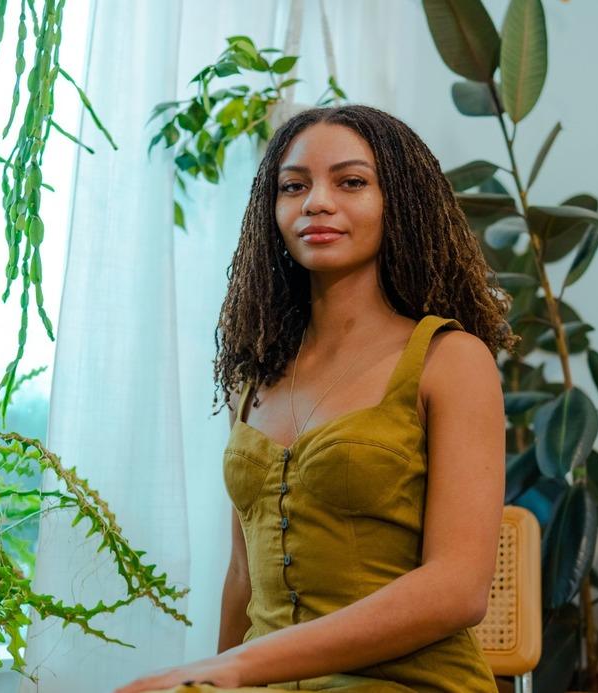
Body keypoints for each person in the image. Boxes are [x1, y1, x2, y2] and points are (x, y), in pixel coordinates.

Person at [114, 104, 519, 693]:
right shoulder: (254, 376)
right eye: (293, 186)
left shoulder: (450, 359)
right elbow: (241, 579)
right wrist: (209, 679)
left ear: (398, 202)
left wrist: (228, 668)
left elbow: (456, 591)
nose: (316, 203)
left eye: (351, 182)